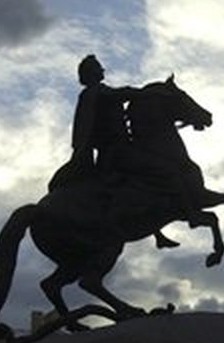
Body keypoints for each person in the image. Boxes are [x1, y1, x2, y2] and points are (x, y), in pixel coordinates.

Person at [49, 55, 179, 249]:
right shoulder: (96, 92)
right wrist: (151, 94)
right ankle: (184, 215)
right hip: (118, 151)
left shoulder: (93, 94)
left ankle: (157, 233)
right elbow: (122, 93)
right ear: (92, 73)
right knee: (164, 171)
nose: (103, 71)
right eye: (99, 68)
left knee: (139, 182)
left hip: (110, 151)